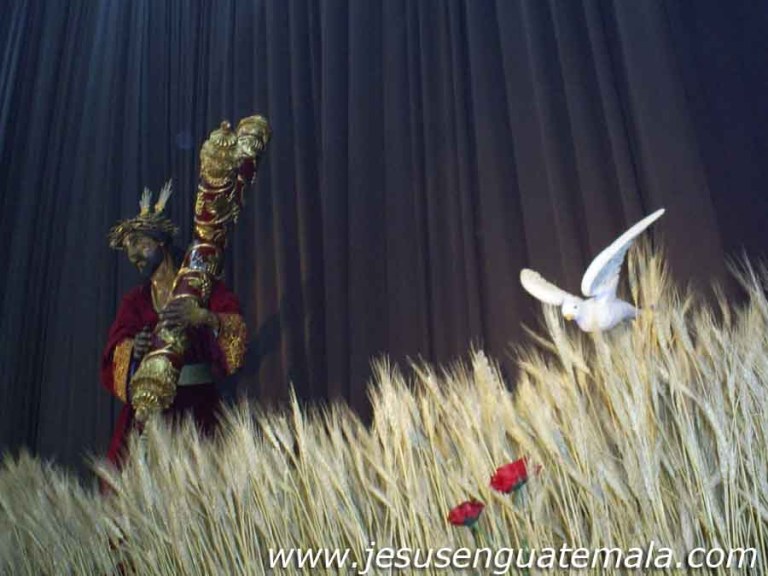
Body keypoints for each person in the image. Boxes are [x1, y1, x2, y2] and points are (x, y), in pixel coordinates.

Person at [100, 180, 246, 467]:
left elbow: (236, 331)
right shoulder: (135, 301)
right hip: (150, 411)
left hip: (198, 408)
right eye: (128, 247)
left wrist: (203, 317)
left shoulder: (201, 287)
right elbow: (114, 350)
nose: (133, 254)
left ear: (161, 243)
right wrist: (133, 349)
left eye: (140, 243)